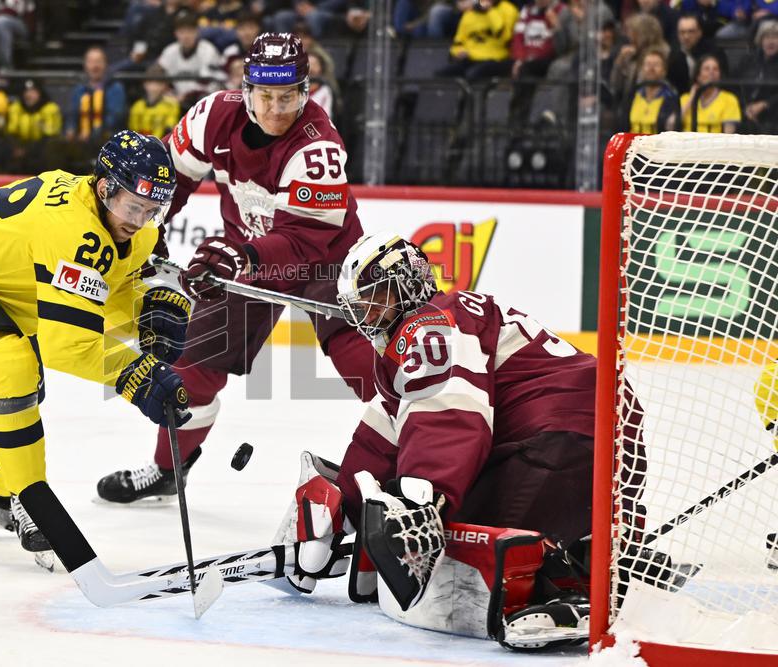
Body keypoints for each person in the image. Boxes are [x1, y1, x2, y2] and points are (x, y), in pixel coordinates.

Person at [293, 233, 644, 644]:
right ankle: (595, 554)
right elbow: (380, 442)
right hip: (593, 432)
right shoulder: (416, 342)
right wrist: (342, 514)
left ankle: (568, 586)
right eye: (361, 308)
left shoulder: (429, 323)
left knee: (464, 546)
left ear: (406, 281)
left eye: (376, 298)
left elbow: (451, 413)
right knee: (441, 527)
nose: (369, 315)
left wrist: (428, 497)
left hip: (565, 435)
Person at [96, 32, 377, 504]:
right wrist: (151, 229)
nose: (274, 109)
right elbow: (170, 181)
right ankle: (169, 470)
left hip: (327, 263)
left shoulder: (319, 148)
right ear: (246, 90)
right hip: (244, 256)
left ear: (305, 93)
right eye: (265, 95)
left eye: (286, 97)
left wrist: (243, 256)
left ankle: (419, 464)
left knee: (367, 367)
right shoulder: (212, 115)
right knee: (193, 362)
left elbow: (306, 241)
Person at [0, 130, 192, 556]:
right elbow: (67, 344)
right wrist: (135, 374)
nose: (140, 220)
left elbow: (110, 288)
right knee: (10, 368)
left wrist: (150, 308)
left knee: (20, 388)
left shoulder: (125, 227)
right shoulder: (72, 230)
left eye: (152, 209)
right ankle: (29, 501)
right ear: (105, 188)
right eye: (134, 206)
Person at [64, 46, 127, 145]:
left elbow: (115, 117)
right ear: (85, 65)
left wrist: (93, 135)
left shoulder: (116, 88)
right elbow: (71, 114)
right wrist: (70, 130)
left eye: (98, 61)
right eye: (91, 61)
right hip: (81, 140)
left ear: (105, 64)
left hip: (108, 141)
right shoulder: (79, 89)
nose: (95, 66)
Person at [677, 54, 740, 132]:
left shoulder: (729, 99)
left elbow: (729, 133)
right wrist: (691, 99)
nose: (711, 72)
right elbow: (671, 125)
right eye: (707, 69)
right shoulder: (685, 98)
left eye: (715, 69)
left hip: (715, 143)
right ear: (698, 76)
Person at [666, 14, 727, 94]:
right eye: (682, 32)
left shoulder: (714, 52)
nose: (686, 36)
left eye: (691, 32)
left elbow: (722, 80)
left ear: (700, 32)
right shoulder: (674, 55)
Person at [627, 50, 678, 133]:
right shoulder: (633, 95)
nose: (651, 68)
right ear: (642, 69)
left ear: (664, 71)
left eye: (656, 65)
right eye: (648, 64)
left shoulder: (671, 97)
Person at [127, 63, 181, 138]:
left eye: (158, 83)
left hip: (162, 144)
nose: (153, 87)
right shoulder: (137, 106)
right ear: (145, 84)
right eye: (150, 82)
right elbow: (133, 131)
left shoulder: (171, 105)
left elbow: (169, 130)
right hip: (139, 145)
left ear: (165, 85)